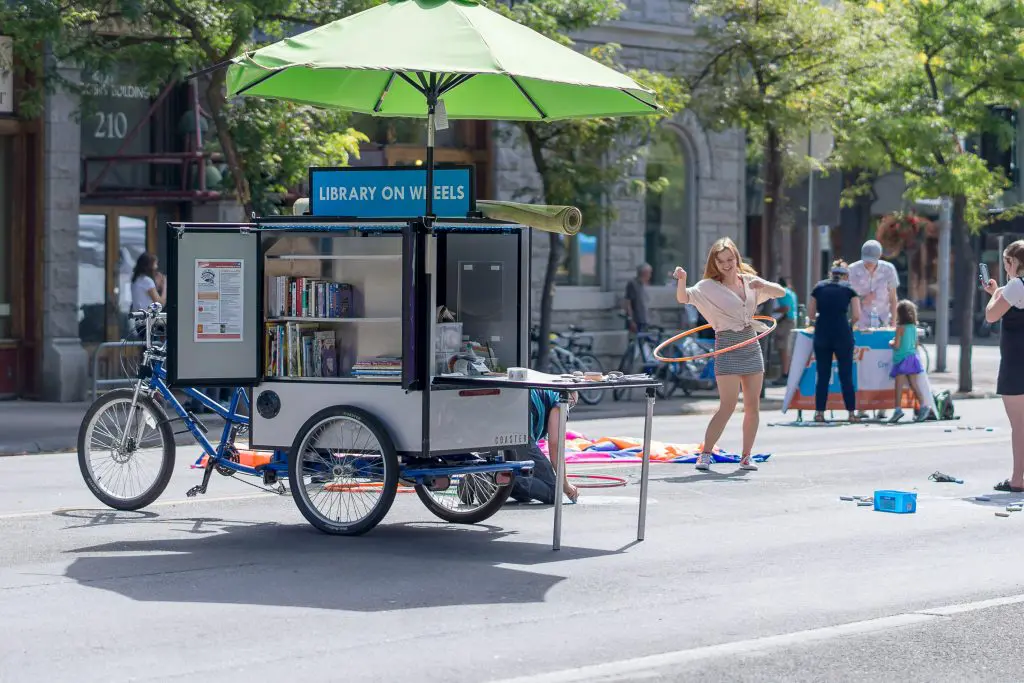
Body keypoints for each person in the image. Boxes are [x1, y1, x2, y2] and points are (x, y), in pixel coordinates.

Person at [673, 237, 786, 471]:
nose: (726, 264)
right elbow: (684, 298)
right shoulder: (708, 287)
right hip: (726, 344)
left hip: (750, 343)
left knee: (753, 406)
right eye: (721, 260)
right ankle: (705, 454)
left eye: (730, 259)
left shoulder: (748, 281)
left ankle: (746, 456)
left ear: (736, 258)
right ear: (714, 263)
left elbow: (781, 292)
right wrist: (682, 280)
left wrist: (761, 286)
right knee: (728, 404)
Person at [982, 239, 1024, 493]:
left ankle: (1017, 479)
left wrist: (995, 295)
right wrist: (998, 292)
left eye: (1006, 261)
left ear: (1012, 262)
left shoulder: (1016, 285)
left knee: (1019, 425)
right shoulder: (1014, 288)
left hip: (1016, 361)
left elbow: (991, 315)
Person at [848, 239, 899, 419]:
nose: (868, 263)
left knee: (883, 365)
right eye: (866, 259)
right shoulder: (853, 270)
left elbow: (893, 298)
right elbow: (847, 297)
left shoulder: (888, 270)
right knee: (863, 367)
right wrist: (862, 300)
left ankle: (882, 406)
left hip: (883, 321)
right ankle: (862, 407)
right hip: (861, 324)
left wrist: (894, 321)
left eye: (872, 259)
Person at [808, 260, 861, 423]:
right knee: (846, 375)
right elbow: (857, 315)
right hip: (842, 333)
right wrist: (849, 324)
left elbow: (810, 314)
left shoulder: (818, 288)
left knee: (823, 375)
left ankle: (819, 413)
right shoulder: (849, 289)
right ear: (845, 275)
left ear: (831, 273)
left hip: (822, 332)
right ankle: (851, 413)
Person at [508, 389, 580, 504]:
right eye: (571, 405)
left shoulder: (544, 390)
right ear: (570, 399)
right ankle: (492, 481)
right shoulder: (562, 399)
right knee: (553, 492)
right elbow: (555, 444)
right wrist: (565, 484)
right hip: (518, 431)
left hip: (497, 421)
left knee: (526, 494)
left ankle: (488, 480)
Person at [887, 300, 931, 423]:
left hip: (901, 359)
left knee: (899, 386)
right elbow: (916, 344)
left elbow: (896, 345)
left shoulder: (900, 328)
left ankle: (898, 409)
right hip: (911, 358)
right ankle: (923, 406)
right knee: (913, 384)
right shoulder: (913, 328)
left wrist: (890, 343)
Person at [771, 277, 799, 386]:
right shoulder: (791, 293)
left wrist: (771, 310)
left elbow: (786, 308)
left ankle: (785, 374)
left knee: (783, 348)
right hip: (790, 321)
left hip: (785, 322)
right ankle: (786, 373)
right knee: (785, 348)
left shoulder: (782, 293)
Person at [622, 263, 653, 334]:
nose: (650, 275)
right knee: (636, 342)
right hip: (636, 321)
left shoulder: (644, 285)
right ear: (644, 273)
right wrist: (631, 320)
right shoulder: (633, 284)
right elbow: (627, 303)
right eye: (649, 273)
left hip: (644, 320)